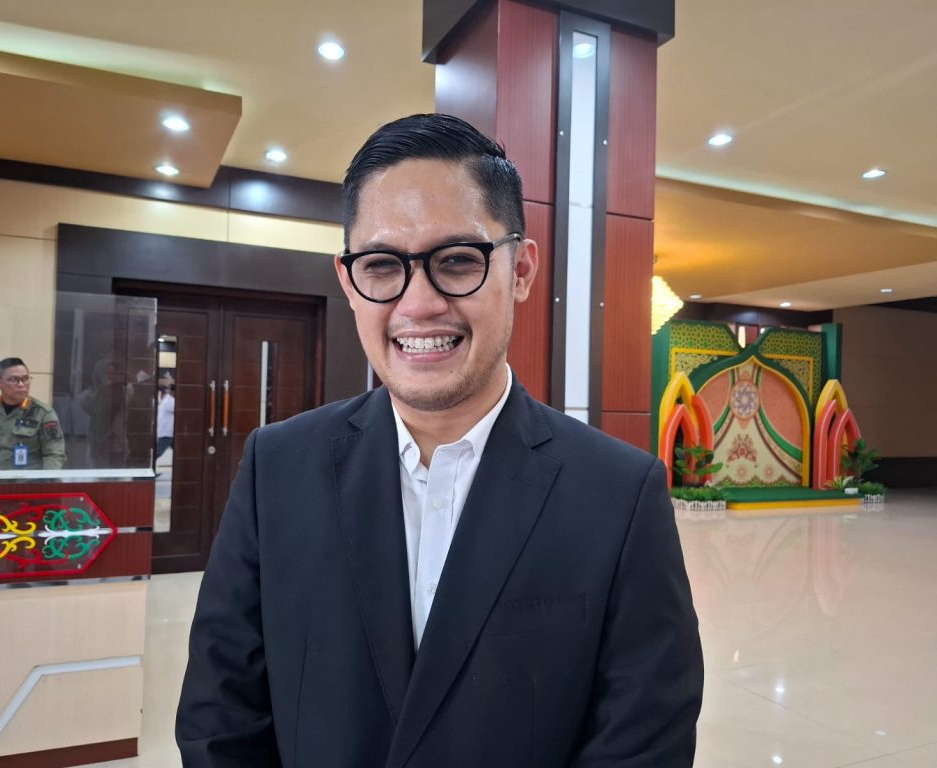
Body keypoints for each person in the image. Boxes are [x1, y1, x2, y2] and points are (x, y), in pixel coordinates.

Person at [176, 114, 703, 766]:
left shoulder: (618, 494)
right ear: (348, 282)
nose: (418, 304)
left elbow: (644, 741)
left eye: (457, 261)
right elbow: (220, 714)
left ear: (521, 270)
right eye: (381, 265)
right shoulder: (278, 468)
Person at [156, 385, 176, 460]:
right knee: (158, 452)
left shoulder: (167, 399)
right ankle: (145, 464)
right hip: (166, 433)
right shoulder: (170, 401)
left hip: (168, 432)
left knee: (181, 452)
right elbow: (179, 411)